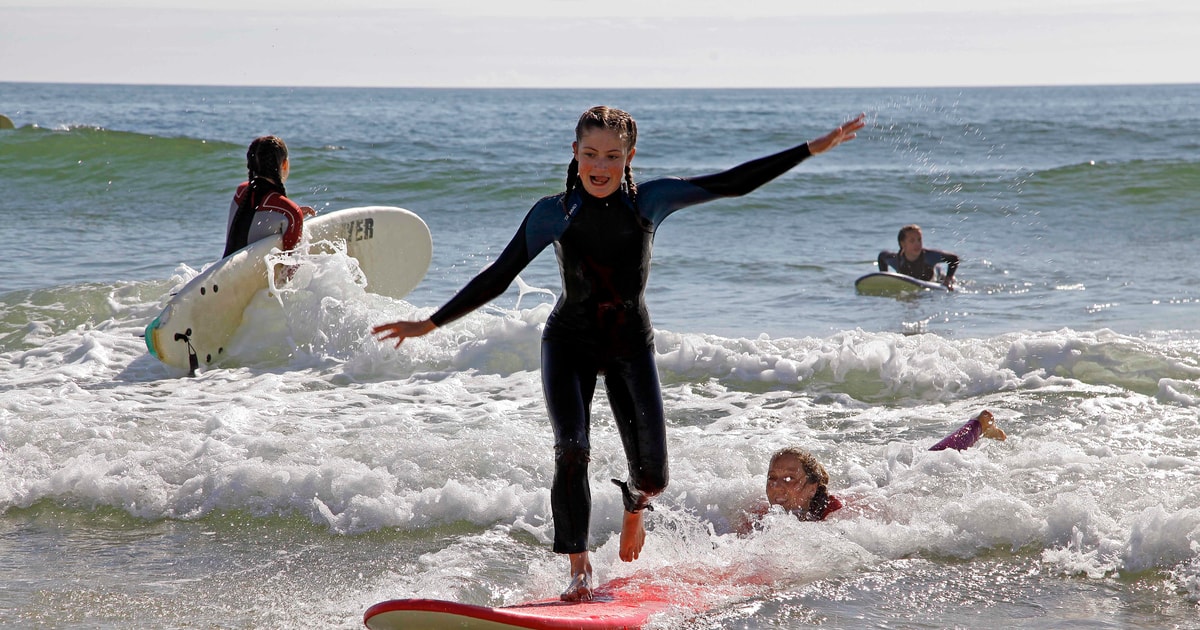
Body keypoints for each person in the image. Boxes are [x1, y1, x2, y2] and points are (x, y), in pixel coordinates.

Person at [372, 106, 867, 602]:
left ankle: (634, 505)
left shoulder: (649, 202)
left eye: (612, 155)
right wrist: (430, 322)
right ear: (575, 153)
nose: (600, 165)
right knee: (572, 449)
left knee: (653, 477)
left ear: (630, 156)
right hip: (569, 343)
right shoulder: (554, 212)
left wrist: (809, 149)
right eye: (590, 154)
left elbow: (729, 184)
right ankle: (578, 567)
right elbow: (499, 275)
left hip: (630, 345)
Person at [742, 410, 1006, 529]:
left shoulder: (834, 514)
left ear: (812, 488)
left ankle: (980, 424)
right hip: (866, 490)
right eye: (772, 478)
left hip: (890, 495)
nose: (776, 486)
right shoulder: (762, 514)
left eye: (789, 478)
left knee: (932, 464)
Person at [223, 135, 316, 258]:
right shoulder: (289, 213)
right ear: (284, 164)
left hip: (224, 266)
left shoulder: (241, 192)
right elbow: (292, 266)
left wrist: (290, 213)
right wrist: (293, 215)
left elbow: (252, 222)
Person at [877, 224, 959, 290]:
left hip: (937, 279)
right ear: (902, 244)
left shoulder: (929, 256)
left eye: (919, 240)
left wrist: (947, 280)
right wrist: (884, 277)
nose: (917, 244)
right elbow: (882, 256)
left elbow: (953, 259)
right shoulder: (896, 260)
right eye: (912, 241)